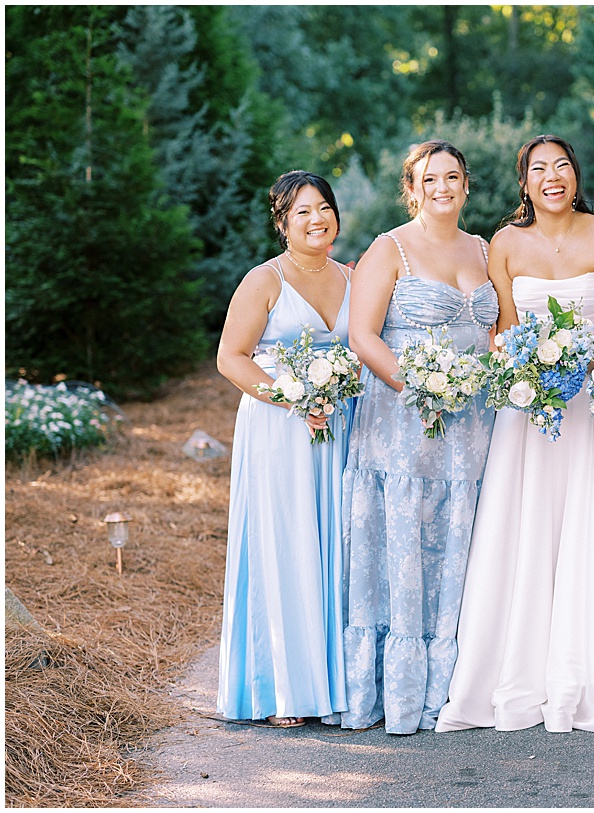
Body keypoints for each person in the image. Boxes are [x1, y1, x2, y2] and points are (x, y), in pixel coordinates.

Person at [436, 134, 594, 734]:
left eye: (561, 167)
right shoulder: (504, 243)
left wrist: (575, 363)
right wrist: (534, 369)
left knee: (587, 526)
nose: (551, 177)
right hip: (528, 409)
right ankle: (515, 670)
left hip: (589, 406)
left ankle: (583, 670)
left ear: (575, 175)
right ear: (524, 182)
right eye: (538, 169)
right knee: (521, 531)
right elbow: (503, 330)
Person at [338, 140, 497, 735]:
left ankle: (454, 690)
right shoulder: (390, 248)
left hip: (474, 424)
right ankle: (397, 694)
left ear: (465, 184)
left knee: (459, 539)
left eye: (452, 177)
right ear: (412, 188)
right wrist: (418, 386)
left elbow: (496, 331)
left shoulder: (484, 248)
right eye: (430, 179)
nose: (443, 188)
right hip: (403, 420)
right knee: (405, 541)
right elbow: (363, 336)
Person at [216, 170, 354, 727]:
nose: (316, 219)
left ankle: (335, 683)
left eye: (324, 207)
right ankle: (282, 689)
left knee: (335, 544)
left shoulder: (355, 276)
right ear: (282, 223)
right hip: (278, 430)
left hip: (342, 426)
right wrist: (289, 397)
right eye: (302, 211)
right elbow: (231, 357)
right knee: (285, 543)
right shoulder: (264, 279)